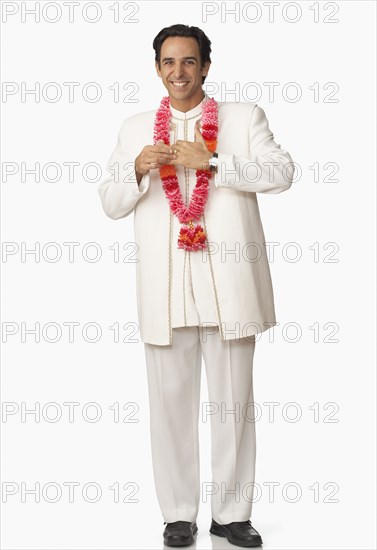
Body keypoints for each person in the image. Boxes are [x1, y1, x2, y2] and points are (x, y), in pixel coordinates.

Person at [98, 23, 294, 548]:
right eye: (168, 62)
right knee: (169, 407)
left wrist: (210, 161)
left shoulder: (242, 117)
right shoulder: (137, 126)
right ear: (157, 68)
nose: (178, 72)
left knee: (234, 406)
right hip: (166, 290)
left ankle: (232, 515)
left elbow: (282, 172)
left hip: (229, 286)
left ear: (206, 66)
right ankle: (178, 514)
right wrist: (137, 169)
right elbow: (111, 204)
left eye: (189, 62)